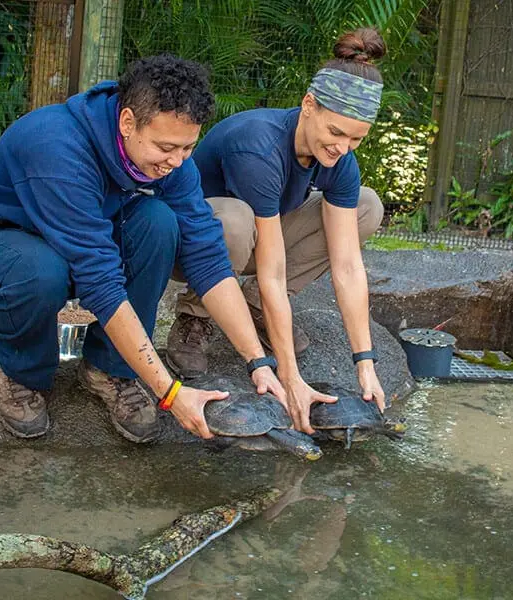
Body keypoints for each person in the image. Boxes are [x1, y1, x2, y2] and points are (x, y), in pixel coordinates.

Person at [0, 55, 284, 443]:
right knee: (41, 272)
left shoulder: (172, 161)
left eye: (188, 147)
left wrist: (259, 363)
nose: (177, 161)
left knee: (158, 222)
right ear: (127, 123)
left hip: (70, 243)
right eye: (166, 147)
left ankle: (111, 368)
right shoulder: (56, 146)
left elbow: (208, 260)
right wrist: (169, 392)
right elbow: (100, 283)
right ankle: (19, 369)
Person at [166, 28, 388, 434]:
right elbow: (271, 270)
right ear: (308, 105)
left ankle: (252, 306)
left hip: (257, 236)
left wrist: (365, 362)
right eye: (336, 132)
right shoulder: (258, 149)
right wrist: (290, 377)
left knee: (366, 207)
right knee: (234, 220)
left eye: (356, 138)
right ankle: (195, 314)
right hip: (187, 243)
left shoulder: (340, 160)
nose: (343, 147)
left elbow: (348, 266)